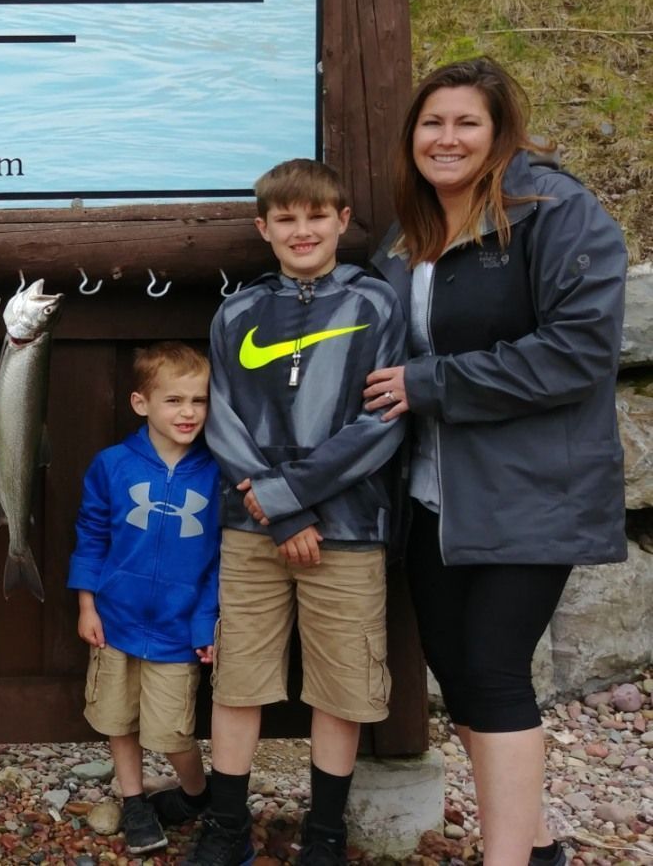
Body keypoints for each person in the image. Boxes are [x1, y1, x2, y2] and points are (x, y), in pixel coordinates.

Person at [365, 58, 626, 866]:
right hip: (435, 496)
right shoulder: (406, 235)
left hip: (533, 491)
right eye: (431, 124)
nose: (446, 139)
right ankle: (537, 842)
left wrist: (429, 381)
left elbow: (577, 351)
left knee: (493, 668)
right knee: (458, 669)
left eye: (465, 123)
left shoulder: (558, 214)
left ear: (500, 132)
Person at [193, 159, 407, 866]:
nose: (302, 229)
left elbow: (384, 422)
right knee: (239, 680)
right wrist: (277, 511)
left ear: (343, 220)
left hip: (348, 531)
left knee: (341, 686)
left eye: (317, 216)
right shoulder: (236, 312)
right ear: (264, 228)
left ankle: (325, 834)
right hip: (251, 529)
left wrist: (293, 496)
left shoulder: (377, 304)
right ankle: (226, 828)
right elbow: (219, 420)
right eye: (285, 218)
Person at [66, 341, 220, 856]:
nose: (188, 412)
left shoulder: (216, 473)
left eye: (199, 401)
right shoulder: (112, 466)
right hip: (116, 620)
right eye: (174, 400)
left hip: (179, 629)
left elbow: (221, 561)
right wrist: (88, 605)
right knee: (117, 717)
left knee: (174, 731)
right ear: (141, 404)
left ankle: (199, 795)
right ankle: (134, 801)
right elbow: (90, 535)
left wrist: (205, 624)